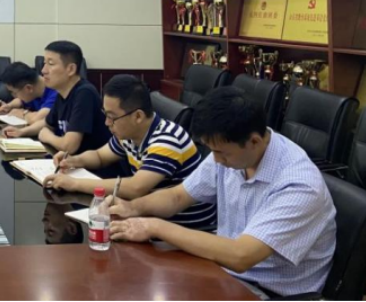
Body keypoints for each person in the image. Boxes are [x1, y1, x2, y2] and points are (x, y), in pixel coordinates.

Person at [109, 87, 336, 299]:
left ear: (254, 141)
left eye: (221, 153)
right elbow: (178, 196)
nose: (216, 160)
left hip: (269, 290)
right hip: (223, 270)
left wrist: (154, 226)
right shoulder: (233, 150)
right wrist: (132, 207)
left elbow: (241, 256)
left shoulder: (299, 185)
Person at [43, 75, 216, 230]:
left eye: (112, 117)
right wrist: (74, 160)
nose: (107, 123)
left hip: (185, 229)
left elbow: (135, 187)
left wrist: (75, 184)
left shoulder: (167, 140)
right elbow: (100, 156)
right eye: (105, 115)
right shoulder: (129, 133)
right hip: (153, 220)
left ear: (138, 116)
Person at [4, 41, 110, 155]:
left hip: (93, 164)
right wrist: (21, 132)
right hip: (70, 161)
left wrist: (47, 136)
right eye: (44, 63)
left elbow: (69, 146)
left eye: (51, 64)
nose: (43, 70)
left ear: (71, 69)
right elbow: (47, 123)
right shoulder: (62, 93)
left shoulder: (84, 93)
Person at [0, 62, 57, 127]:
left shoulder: (56, 93)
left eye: (14, 92)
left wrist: (22, 113)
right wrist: (9, 106)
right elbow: (20, 101)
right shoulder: (34, 89)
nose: (14, 96)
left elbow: (38, 119)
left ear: (28, 88)